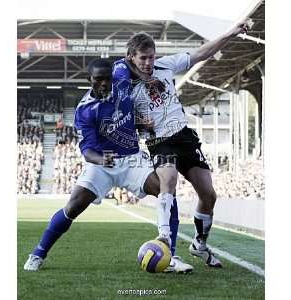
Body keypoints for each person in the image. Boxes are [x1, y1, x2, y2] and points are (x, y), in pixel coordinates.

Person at [23, 58, 193, 273]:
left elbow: (129, 60)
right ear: (89, 80)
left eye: (107, 79)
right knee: (73, 206)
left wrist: (147, 78)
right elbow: (87, 150)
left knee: (165, 190)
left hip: (131, 159)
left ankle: (170, 255)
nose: (104, 83)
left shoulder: (120, 76)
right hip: (101, 164)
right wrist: (102, 160)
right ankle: (38, 253)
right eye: (98, 80)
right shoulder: (85, 110)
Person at [113, 21, 249, 268]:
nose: (148, 63)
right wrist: (137, 121)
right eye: (143, 58)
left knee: (208, 195)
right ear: (131, 58)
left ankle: (199, 244)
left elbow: (201, 53)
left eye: (151, 57)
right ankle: (164, 237)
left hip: (184, 136)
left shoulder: (165, 66)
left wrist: (230, 32)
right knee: (169, 180)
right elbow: (116, 120)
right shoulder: (124, 87)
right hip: (159, 141)